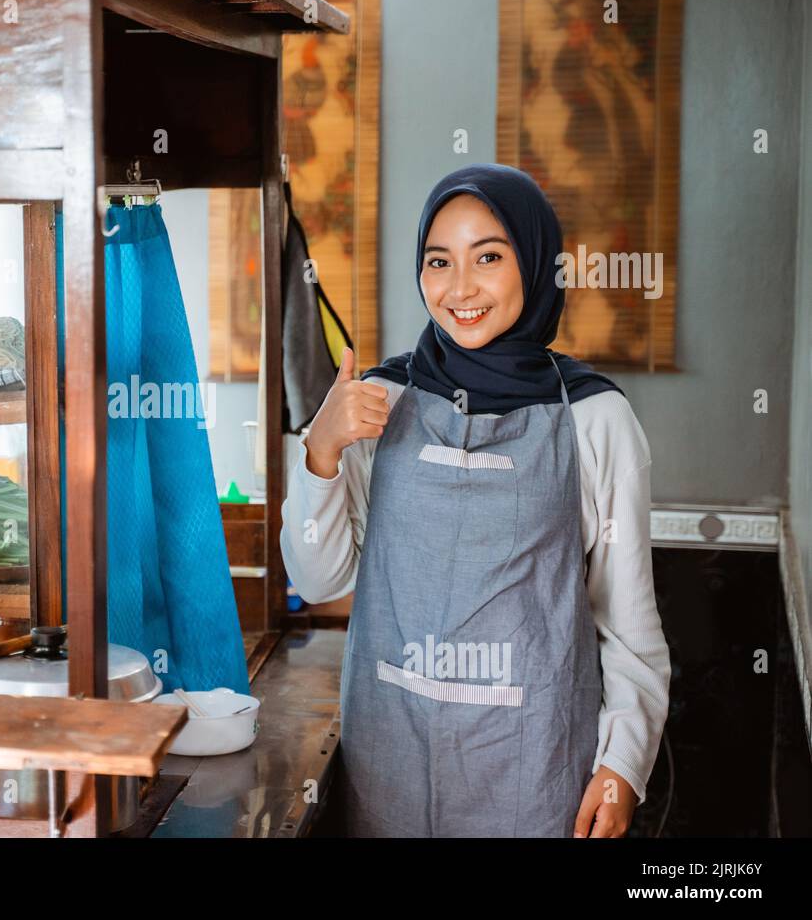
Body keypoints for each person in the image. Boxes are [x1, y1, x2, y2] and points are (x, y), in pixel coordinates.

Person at [282, 163, 670, 837]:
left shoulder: (596, 419)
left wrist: (623, 765)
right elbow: (318, 580)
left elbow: (629, 627)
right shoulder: (382, 401)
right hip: (387, 769)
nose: (460, 287)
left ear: (536, 264)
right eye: (439, 261)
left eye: (488, 256)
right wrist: (320, 451)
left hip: (535, 775)